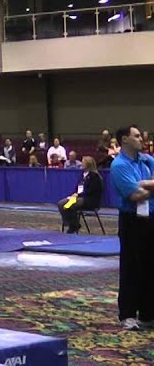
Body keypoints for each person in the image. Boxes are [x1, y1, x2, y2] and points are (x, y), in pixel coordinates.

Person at [110, 124, 154, 330]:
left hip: (151, 218)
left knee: (150, 267)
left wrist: (144, 184)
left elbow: (142, 189)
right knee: (131, 267)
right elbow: (136, 195)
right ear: (125, 140)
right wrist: (147, 185)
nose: (141, 139)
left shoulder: (146, 160)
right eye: (136, 136)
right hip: (132, 221)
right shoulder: (119, 165)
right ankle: (127, 314)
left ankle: (148, 314)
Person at [58, 156, 103, 234]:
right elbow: (78, 187)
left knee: (69, 205)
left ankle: (73, 225)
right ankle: (70, 223)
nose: (81, 164)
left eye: (83, 162)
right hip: (79, 197)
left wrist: (78, 195)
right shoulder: (82, 175)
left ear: (88, 164)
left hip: (89, 199)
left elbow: (91, 191)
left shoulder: (95, 176)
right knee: (61, 203)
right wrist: (74, 194)